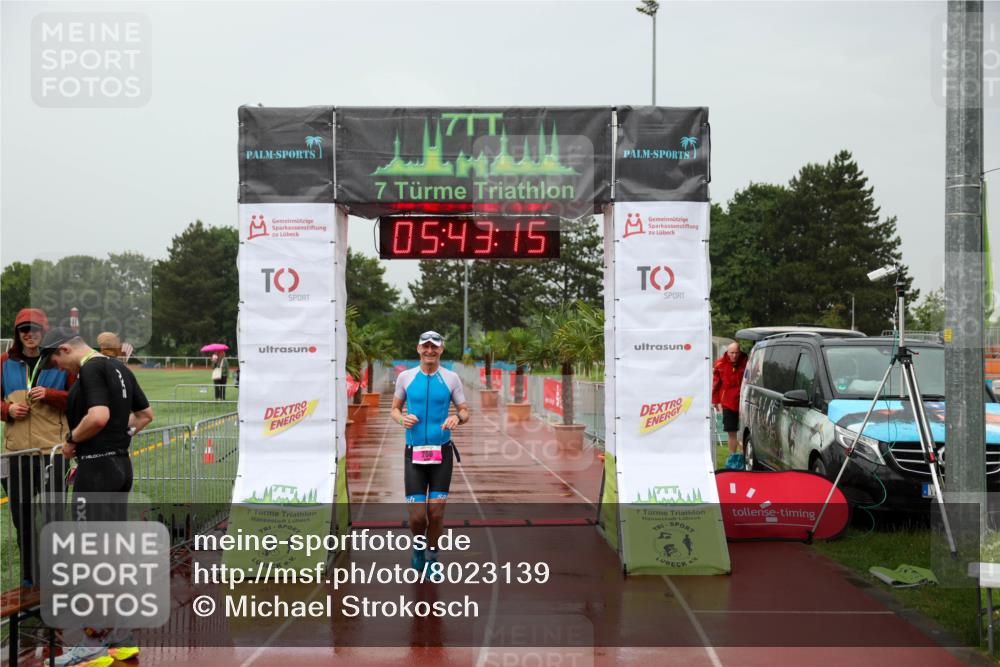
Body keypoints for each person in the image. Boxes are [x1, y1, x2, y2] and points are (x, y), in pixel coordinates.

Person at [40, 328, 153, 667]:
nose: (61, 369)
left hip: (96, 471)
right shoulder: (119, 367)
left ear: (64, 349)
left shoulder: (91, 368)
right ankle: (120, 640)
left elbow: (99, 415)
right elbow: (146, 415)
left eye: (57, 361)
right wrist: (121, 436)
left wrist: (71, 441)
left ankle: (90, 646)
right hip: (120, 467)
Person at [0, 308, 75, 588]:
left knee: (54, 519)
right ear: (17, 334)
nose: (29, 334)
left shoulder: (60, 362)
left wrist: (52, 395)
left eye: (35, 329)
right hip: (17, 455)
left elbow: (77, 400)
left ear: (44, 333)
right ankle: (30, 578)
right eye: (23, 330)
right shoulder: (4, 363)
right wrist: (7, 410)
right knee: (23, 521)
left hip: (52, 454)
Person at [389, 331, 469, 574]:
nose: (430, 351)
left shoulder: (451, 378)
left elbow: (465, 410)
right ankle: (418, 548)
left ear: (441, 350)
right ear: (418, 349)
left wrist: (457, 417)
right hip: (414, 454)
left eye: (435, 347)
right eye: (426, 346)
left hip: (442, 454)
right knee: (416, 518)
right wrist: (401, 419)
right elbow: (394, 409)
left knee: (435, 513)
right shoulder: (406, 377)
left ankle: (432, 557)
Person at [712, 342, 748, 470]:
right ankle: (732, 459)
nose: (734, 356)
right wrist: (715, 401)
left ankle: (746, 458)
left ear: (740, 352)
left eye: (736, 353)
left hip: (745, 402)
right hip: (728, 402)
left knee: (746, 432)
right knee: (731, 432)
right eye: (731, 353)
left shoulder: (747, 362)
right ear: (727, 352)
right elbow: (716, 384)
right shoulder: (720, 364)